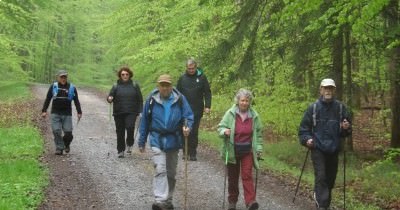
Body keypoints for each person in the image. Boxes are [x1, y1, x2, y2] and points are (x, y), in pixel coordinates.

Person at [138, 74, 194, 210]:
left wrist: (187, 127)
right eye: (162, 85)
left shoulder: (179, 98)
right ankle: (160, 200)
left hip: (174, 139)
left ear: (171, 86)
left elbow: (188, 116)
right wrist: (142, 140)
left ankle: (168, 199)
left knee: (171, 173)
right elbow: (145, 119)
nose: (164, 88)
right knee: (160, 169)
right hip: (157, 138)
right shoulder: (152, 99)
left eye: (167, 85)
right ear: (158, 86)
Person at [298, 78, 352, 210]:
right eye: (325, 88)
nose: (328, 91)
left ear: (334, 90)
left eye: (330, 88)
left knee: (330, 180)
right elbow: (303, 129)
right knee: (321, 176)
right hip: (318, 148)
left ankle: (323, 202)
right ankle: (322, 206)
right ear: (321, 90)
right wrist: (307, 140)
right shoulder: (313, 108)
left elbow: (346, 132)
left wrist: (346, 128)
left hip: (334, 149)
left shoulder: (340, 108)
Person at [217, 88, 263, 210]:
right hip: (232, 150)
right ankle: (232, 201)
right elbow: (220, 128)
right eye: (242, 100)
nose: (244, 103)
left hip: (247, 151)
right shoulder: (230, 113)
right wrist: (224, 131)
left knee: (247, 175)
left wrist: (258, 148)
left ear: (250, 102)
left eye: (247, 101)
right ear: (238, 101)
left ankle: (250, 202)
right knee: (232, 177)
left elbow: (258, 134)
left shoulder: (254, 116)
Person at [177, 58, 212, 161]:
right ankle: (185, 151)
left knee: (194, 131)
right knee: (185, 130)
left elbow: (207, 92)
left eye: (193, 68)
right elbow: (177, 94)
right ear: (186, 68)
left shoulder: (202, 78)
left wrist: (207, 106)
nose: (191, 70)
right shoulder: (182, 79)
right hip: (184, 110)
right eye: (189, 68)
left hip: (197, 109)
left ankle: (193, 152)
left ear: (196, 67)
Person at [41, 69, 82, 155]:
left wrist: (79, 112)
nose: (63, 78)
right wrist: (44, 110)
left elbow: (76, 101)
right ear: (58, 77)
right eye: (61, 77)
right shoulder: (53, 86)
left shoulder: (72, 88)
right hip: (55, 113)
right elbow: (48, 99)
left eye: (65, 77)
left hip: (67, 114)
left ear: (66, 77)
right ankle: (59, 148)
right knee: (56, 130)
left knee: (68, 133)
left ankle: (66, 144)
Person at [107, 66, 143, 158]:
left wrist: (141, 110)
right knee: (120, 132)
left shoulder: (135, 85)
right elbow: (110, 96)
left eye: (127, 74)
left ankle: (130, 143)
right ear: (120, 75)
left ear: (130, 75)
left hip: (131, 111)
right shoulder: (115, 86)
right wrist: (110, 98)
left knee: (130, 127)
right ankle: (120, 150)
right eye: (123, 74)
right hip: (118, 112)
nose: (125, 76)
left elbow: (140, 99)